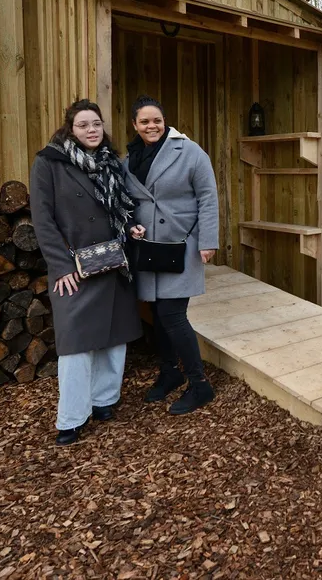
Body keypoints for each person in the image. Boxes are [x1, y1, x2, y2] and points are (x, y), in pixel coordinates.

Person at [29, 100, 143, 446]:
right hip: (75, 267)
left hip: (114, 261)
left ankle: (104, 400)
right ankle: (72, 418)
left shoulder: (112, 162)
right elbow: (43, 219)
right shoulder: (49, 162)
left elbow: (123, 204)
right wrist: (61, 265)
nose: (91, 130)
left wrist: (132, 227)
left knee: (113, 338)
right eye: (83, 125)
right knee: (76, 345)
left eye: (96, 124)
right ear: (70, 129)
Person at [124, 96, 220, 415]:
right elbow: (125, 201)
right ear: (134, 125)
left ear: (165, 121)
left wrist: (208, 241)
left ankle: (200, 385)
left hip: (182, 242)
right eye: (144, 122)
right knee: (157, 315)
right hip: (148, 246)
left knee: (172, 315)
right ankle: (170, 372)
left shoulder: (189, 151)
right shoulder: (129, 159)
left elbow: (208, 197)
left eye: (157, 120)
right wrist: (131, 224)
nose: (152, 126)